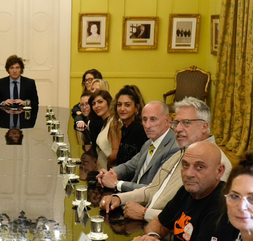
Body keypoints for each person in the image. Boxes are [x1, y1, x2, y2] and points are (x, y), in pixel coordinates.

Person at [100, 97, 232, 221]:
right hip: (151, 224)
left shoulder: (217, 164)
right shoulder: (182, 152)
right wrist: (118, 198)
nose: (178, 129)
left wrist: (145, 213)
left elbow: (195, 217)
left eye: (186, 123)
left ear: (204, 126)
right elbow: (152, 190)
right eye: (176, 123)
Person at [97, 101, 178, 192]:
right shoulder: (149, 143)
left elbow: (154, 189)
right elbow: (130, 166)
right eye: (144, 119)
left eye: (153, 119)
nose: (147, 125)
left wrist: (117, 183)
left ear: (167, 120)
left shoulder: (174, 148)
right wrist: (109, 174)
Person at [105, 85, 149, 165]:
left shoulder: (138, 129)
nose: (122, 109)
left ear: (137, 107)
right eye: (119, 105)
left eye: (127, 105)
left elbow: (136, 163)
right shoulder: (125, 127)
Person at [87, 90, 113, 169]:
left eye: (100, 102)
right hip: (101, 168)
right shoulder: (104, 122)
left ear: (108, 102)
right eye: (93, 104)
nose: (96, 106)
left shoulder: (114, 122)